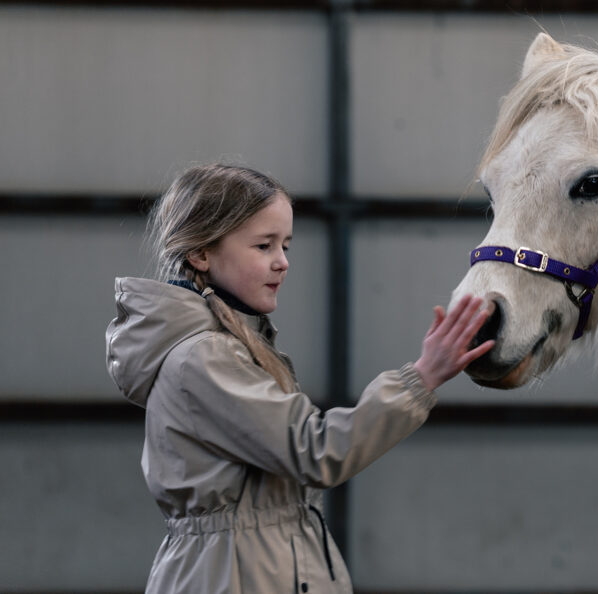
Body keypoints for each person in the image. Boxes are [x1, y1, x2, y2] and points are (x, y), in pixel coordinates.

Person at [105, 163, 494, 593]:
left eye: (286, 245)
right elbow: (314, 450)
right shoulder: (204, 358)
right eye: (263, 245)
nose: (282, 262)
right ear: (201, 254)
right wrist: (421, 378)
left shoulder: (230, 347)